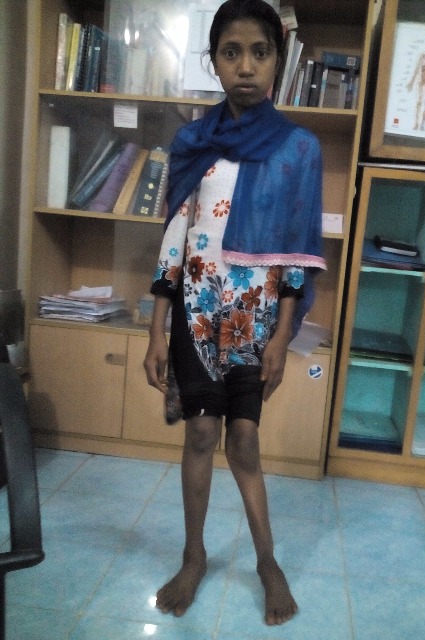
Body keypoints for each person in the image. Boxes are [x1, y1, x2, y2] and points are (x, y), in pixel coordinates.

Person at [144, 0, 325, 626]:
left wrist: (282, 336)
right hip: (196, 315)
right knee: (200, 434)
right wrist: (156, 330)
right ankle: (193, 556)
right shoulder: (192, 143)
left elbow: (298, 252)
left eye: (260, 52)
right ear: (214, 60)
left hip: (256, 322)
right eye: (231, 52)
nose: (246, 66)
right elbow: (174, 239)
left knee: (244, 440)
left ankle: (267, 562)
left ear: (277, 60)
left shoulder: (298, 149)